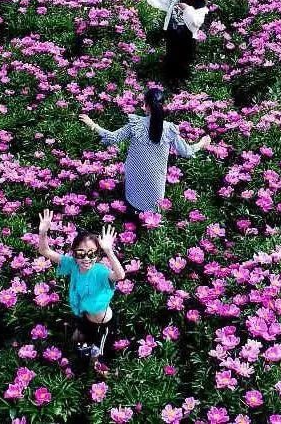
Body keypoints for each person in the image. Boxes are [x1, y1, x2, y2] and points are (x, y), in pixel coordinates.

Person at [79, 88, 210, 220]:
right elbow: (186, 151)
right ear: (164, 106)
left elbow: (113, 138)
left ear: (146, 106)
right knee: (152, 217)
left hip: (134, 180)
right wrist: (201, 143)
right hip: (155, 184)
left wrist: (92, 124)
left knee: (130, 212)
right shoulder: (169, 129)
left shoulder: (136, 125)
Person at [36, 209, 125, 374]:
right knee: (75, 340)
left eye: (91, 253)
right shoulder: (72, 265)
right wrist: (43, 232)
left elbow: (120, 275)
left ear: (97, 255)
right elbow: (44, 251)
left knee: (95, 362)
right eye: (81, 253)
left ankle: (102, 380)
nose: (86, 258)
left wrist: (109, 250)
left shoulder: (100, 271)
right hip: (85, 316)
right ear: (74, 254)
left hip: (103, 325)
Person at [137, 0, 208, 89]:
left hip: (186, 40)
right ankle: (169, 89)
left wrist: (187, 9)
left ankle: (183, 92)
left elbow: (196, 22)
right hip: (171, 36)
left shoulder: (200, 3)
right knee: (170, 64)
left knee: (182, 66)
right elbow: (162, 0)